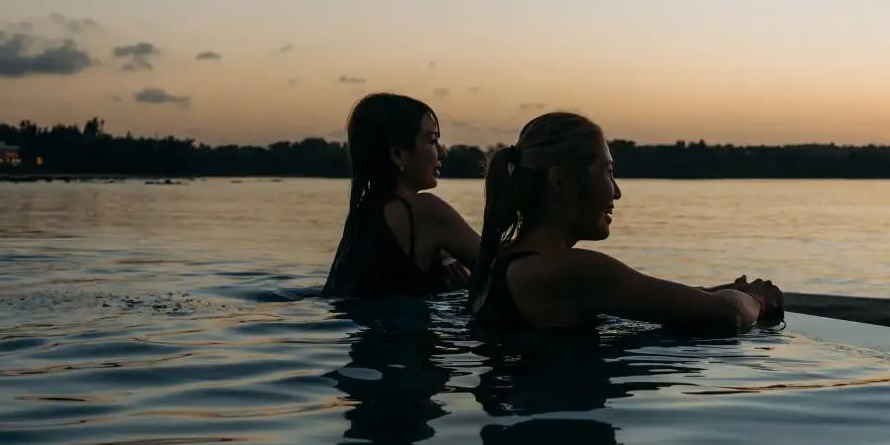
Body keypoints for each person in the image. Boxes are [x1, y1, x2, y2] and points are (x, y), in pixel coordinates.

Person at [470, 111, 785, 330]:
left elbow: (647, 294)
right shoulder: (575, 269)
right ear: (563, 182)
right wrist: (756, 299)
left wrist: (727, 288)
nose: (617, 192)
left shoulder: (500, 259)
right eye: (608, 173)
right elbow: (727, 314)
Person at [324, 93, 481, 297]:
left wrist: (443, 255)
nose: (442, 153)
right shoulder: (423, 210)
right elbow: (508, 268)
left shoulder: (362, 214)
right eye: (432, 141)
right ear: (398, 155)